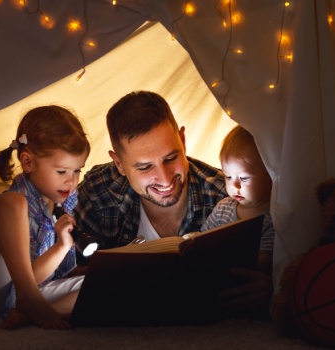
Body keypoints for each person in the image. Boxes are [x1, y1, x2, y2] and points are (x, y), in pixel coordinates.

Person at [74, 90, 272, 318]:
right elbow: (62, 274)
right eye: (145, 167)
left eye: (170, 158)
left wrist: (271, 289)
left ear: (183, 141)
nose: (165, 178)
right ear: (119, 163)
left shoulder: (227, 196)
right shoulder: (99, 192)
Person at [0, 105, 90, 330]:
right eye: (62, 171)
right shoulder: (18, 199)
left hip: (26, 292)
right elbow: (24, 280)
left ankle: (26, 314)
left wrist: (65, 248)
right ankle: (30, 302)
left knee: (105, 286)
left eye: (77, 171)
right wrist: (60, 247)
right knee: (12, 203)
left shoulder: (65, 204)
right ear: (28, 163)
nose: (71, 181)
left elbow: (37, 277)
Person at [201, 125, 275, 275]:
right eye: (228, 176)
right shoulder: (223, 209)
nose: (235, 185)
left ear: (270, 174)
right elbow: (201, 241)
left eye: (244, 178)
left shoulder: (273, 217)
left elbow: (262, 263)